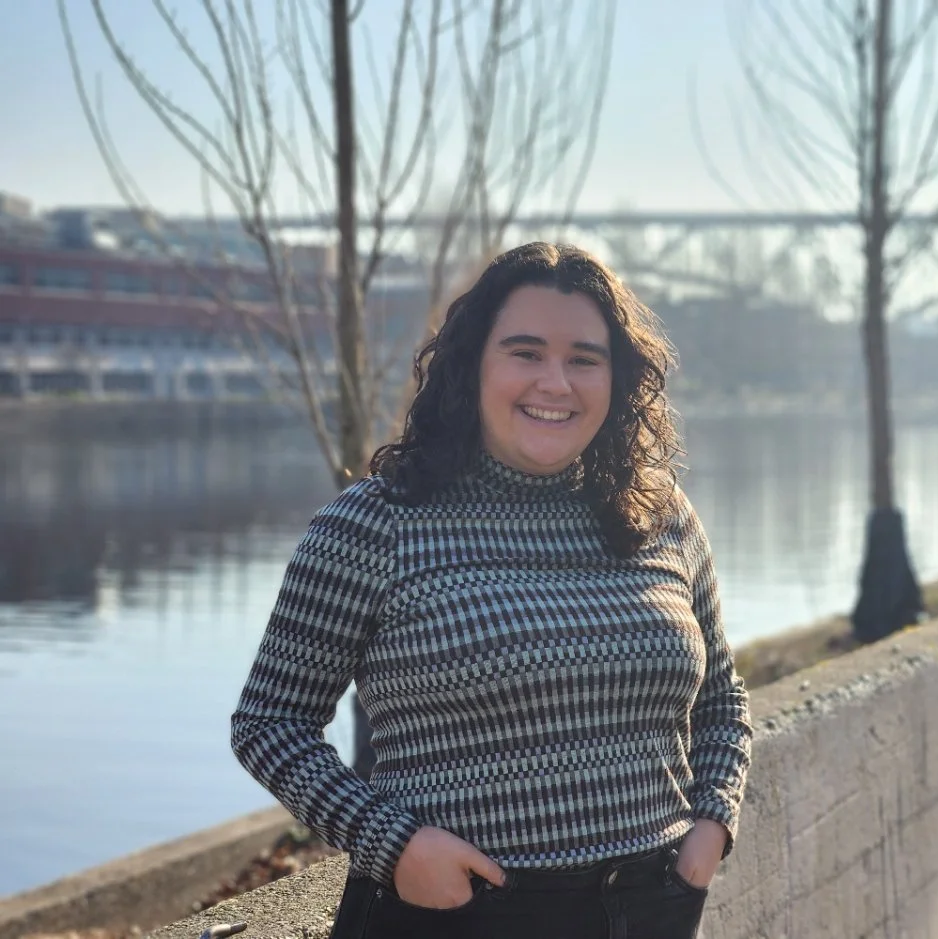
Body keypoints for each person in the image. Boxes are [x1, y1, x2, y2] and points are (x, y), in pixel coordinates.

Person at [231, 242, 754, 939]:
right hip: (456, 915)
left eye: (584, 359)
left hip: (648, 908)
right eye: (525, 352)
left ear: (618, 377)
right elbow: (270, 722)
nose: (555, 383)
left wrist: (712, 823)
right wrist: (394, 845)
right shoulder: (376, 523)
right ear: (473, 363)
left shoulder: (661, 516)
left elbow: (722, 697)